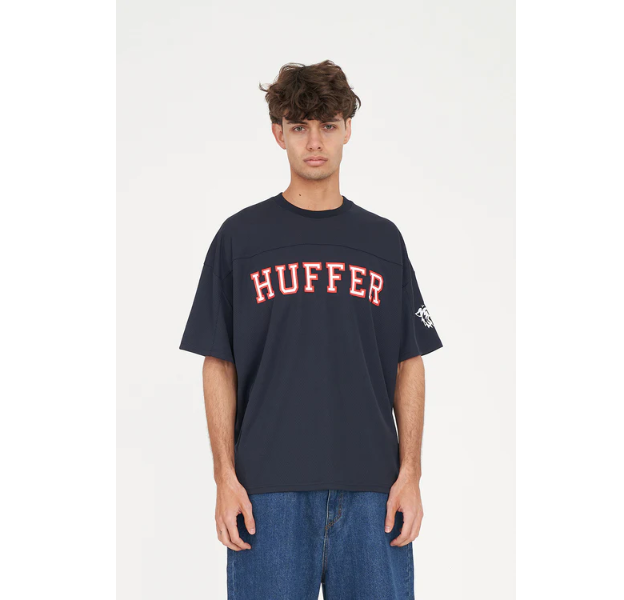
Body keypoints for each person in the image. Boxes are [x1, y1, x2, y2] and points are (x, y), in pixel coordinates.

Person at [179, 60, 443, 599]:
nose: (315, 142)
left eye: (327, 125)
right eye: (299, 126)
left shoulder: (383, 241)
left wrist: (410, 473)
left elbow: (409, 360)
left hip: (374, 492)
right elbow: (218, 361)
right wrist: (224, 477)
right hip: (266, 494)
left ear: (348, 130)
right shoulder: (240, 238)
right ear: (278, 134)